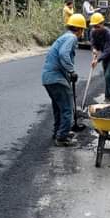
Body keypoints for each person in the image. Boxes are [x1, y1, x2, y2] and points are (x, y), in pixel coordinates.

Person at [42, 14, 86, 147]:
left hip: (48, 78)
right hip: (56, 79)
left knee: (58, 107)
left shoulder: (64, 37)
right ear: (79, 29)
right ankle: (62, 137)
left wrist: (68, 74)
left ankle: (59, 132)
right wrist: (72, 71)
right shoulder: (71, 37)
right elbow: (63, 54)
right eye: (83, 30)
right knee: (67, 108)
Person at [89, 13, 110, 102]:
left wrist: (97, 60)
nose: (96, 28)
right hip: (105, 57)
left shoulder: (109, 34)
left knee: (108, 76)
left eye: (97, 26)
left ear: (102, 24)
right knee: (109, 75)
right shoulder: (93, 32)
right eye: (94, 26)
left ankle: (108, 97)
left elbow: (107, 50)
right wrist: (94, 49)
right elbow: (93, 43)